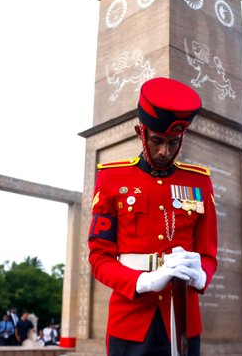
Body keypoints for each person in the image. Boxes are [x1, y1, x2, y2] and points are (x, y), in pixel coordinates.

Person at [88, 77, 218, 355]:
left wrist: (200, 276)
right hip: (131, 317)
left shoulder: (200, 183)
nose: (164, 152)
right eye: (157, 141)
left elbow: (208, 254)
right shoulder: (111, 178)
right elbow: (99, 257)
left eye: (173, 143)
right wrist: (141, 281)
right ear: (140, 132)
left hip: (182, 318)